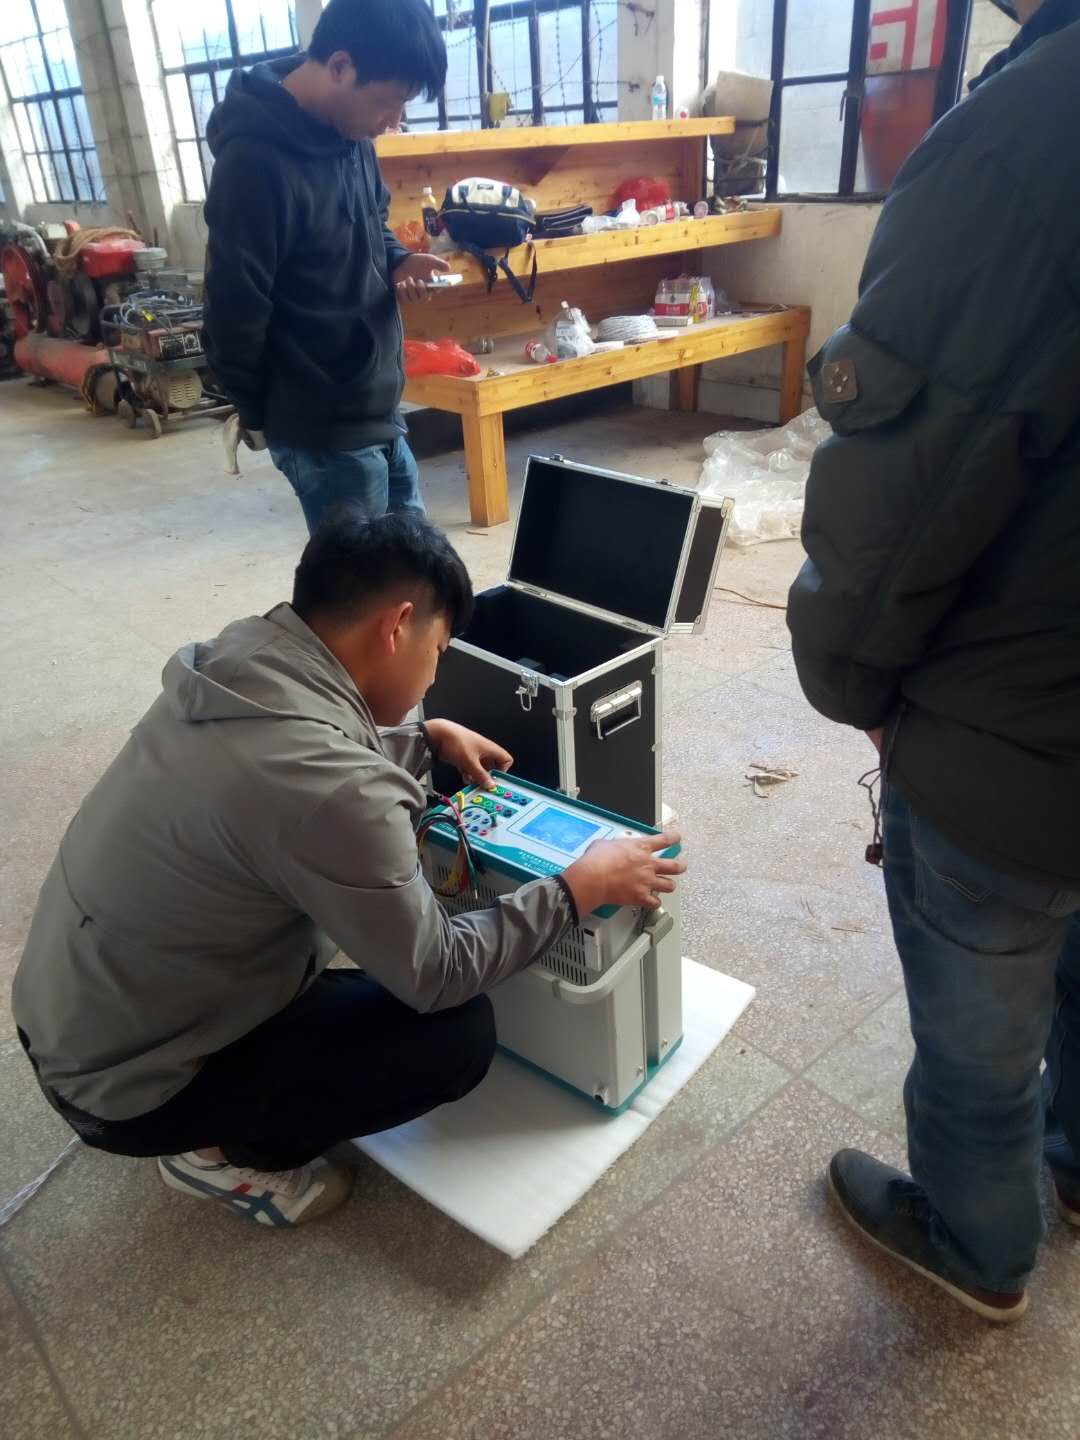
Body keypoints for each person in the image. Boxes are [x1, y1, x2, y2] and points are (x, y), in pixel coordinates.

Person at [12, 512, 683, 1227]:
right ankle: (217, 1154)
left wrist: (421, 739)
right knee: (454, 1038)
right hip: (128, 1086)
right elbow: (437, 973)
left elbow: (296, 757)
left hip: (70, 1015)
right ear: (398, 627)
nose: (435, 672)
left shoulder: (238, 658)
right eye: (439, 649)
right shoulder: (337, 789)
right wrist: (579, 888)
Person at [787, 0, 1080, 1323]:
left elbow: (907, 486)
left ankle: (977, 1247)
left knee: (982, 1023)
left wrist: (851, 683)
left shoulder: (1031, 134)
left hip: (1016, 727)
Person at [202, 0, 451, 534]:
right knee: (364, 583)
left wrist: (399, 260)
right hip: (323, 426)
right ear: (340, 66)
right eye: (386, 103)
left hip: (378, 406)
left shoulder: (352, 133)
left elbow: (372, 220)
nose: (393, 123)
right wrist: (259, 413)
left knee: (419, 569)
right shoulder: (253, 163)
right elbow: (233, 307)